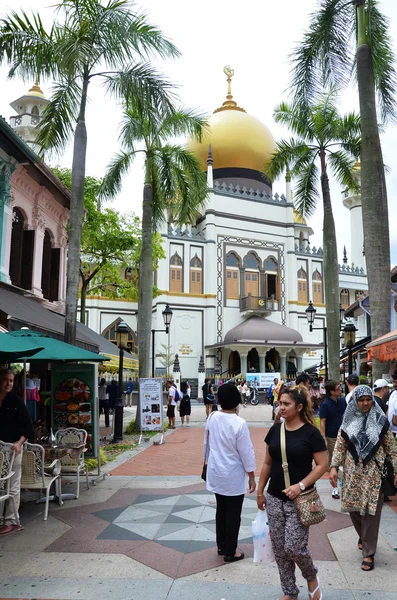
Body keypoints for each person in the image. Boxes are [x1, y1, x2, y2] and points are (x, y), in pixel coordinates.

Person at [257, 385, 328, 600]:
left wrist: (301, 485)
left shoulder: (311, 432)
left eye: (286, 404)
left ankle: (311, 576)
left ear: (299, 406)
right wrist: (260, 491)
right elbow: (268, 463)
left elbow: (322, 465)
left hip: (300, 499)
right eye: (280, 403)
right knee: (280, 549)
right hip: (275, 497)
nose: (282, 407)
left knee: (295, 546)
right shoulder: (275, 430)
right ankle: (289, 591)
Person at [329, 385, 397, 571]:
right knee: (354, 509)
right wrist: (334, 467)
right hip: (352, 472)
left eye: (368, 399)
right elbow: (340, 446)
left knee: (371, 511)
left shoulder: (381, 421)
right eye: (361, 400)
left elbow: (391, 447)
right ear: (355, 401)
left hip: (375, 473)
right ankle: (364, 536)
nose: (365, 403)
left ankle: (368, 553)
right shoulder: (347, 421)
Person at [204, 383, 256, 562]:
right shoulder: (239, 423)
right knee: (233, 513)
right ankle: (230, 551)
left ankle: (221, 545)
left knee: (221, 510)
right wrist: (251, 476)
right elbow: (246, 451)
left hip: (216, 470)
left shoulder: (212, 417)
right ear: (237, 400)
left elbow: (207, 444)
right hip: (233, 474)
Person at [0, 369, 34, 536]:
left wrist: (19, 444)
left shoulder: (17, 402)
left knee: (12, 485)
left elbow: (28, 428)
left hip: (13, 448)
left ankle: (11, 521)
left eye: (12, 380)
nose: (9, 383)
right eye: (6, 380)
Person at [319, 379, 347, 499]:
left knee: (346, 461)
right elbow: (322, 421)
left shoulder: (342, 401)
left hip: (344, 436)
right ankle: (335, 488)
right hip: (331, 436)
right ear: (331, 391)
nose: (340, 389)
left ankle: (345, 485)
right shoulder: (325, 404)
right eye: (338, 387)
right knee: (333, 463)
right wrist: (323, 438)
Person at [387, 372, 397, 437]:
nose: (394, 384)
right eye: (393, 381)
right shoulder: (392, 393)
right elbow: (388, 409)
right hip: (390, 430)